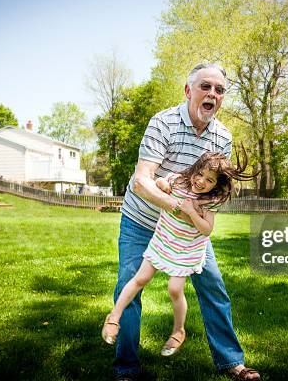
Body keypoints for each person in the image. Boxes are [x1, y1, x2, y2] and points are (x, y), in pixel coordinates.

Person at [109, 63, 261, 381]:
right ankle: (127, 368)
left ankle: (232, 362)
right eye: (206, 86)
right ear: (188, 91)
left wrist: (195, 217)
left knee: (213, 287)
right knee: (130, 283)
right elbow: (141, 181)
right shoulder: (163, 123)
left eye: (219, 90)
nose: (213, 94)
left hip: (189, 232)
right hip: (143, 219)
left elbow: (216, 194)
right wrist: (177, 205)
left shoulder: (222, 137)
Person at [102, 151, 255, 358]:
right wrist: (161, 186)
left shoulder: (208, 201)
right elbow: (159, 183)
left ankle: (178, 331)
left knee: (175, 289)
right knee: (140, 278)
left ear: (215, 185)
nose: (201, 181)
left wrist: (191, 211)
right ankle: (114, 316)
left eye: (209, 180)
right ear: (194, 170)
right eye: (199, 174)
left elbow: (207, 229)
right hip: (164, 239)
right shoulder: (177, 180)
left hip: (186, 248)